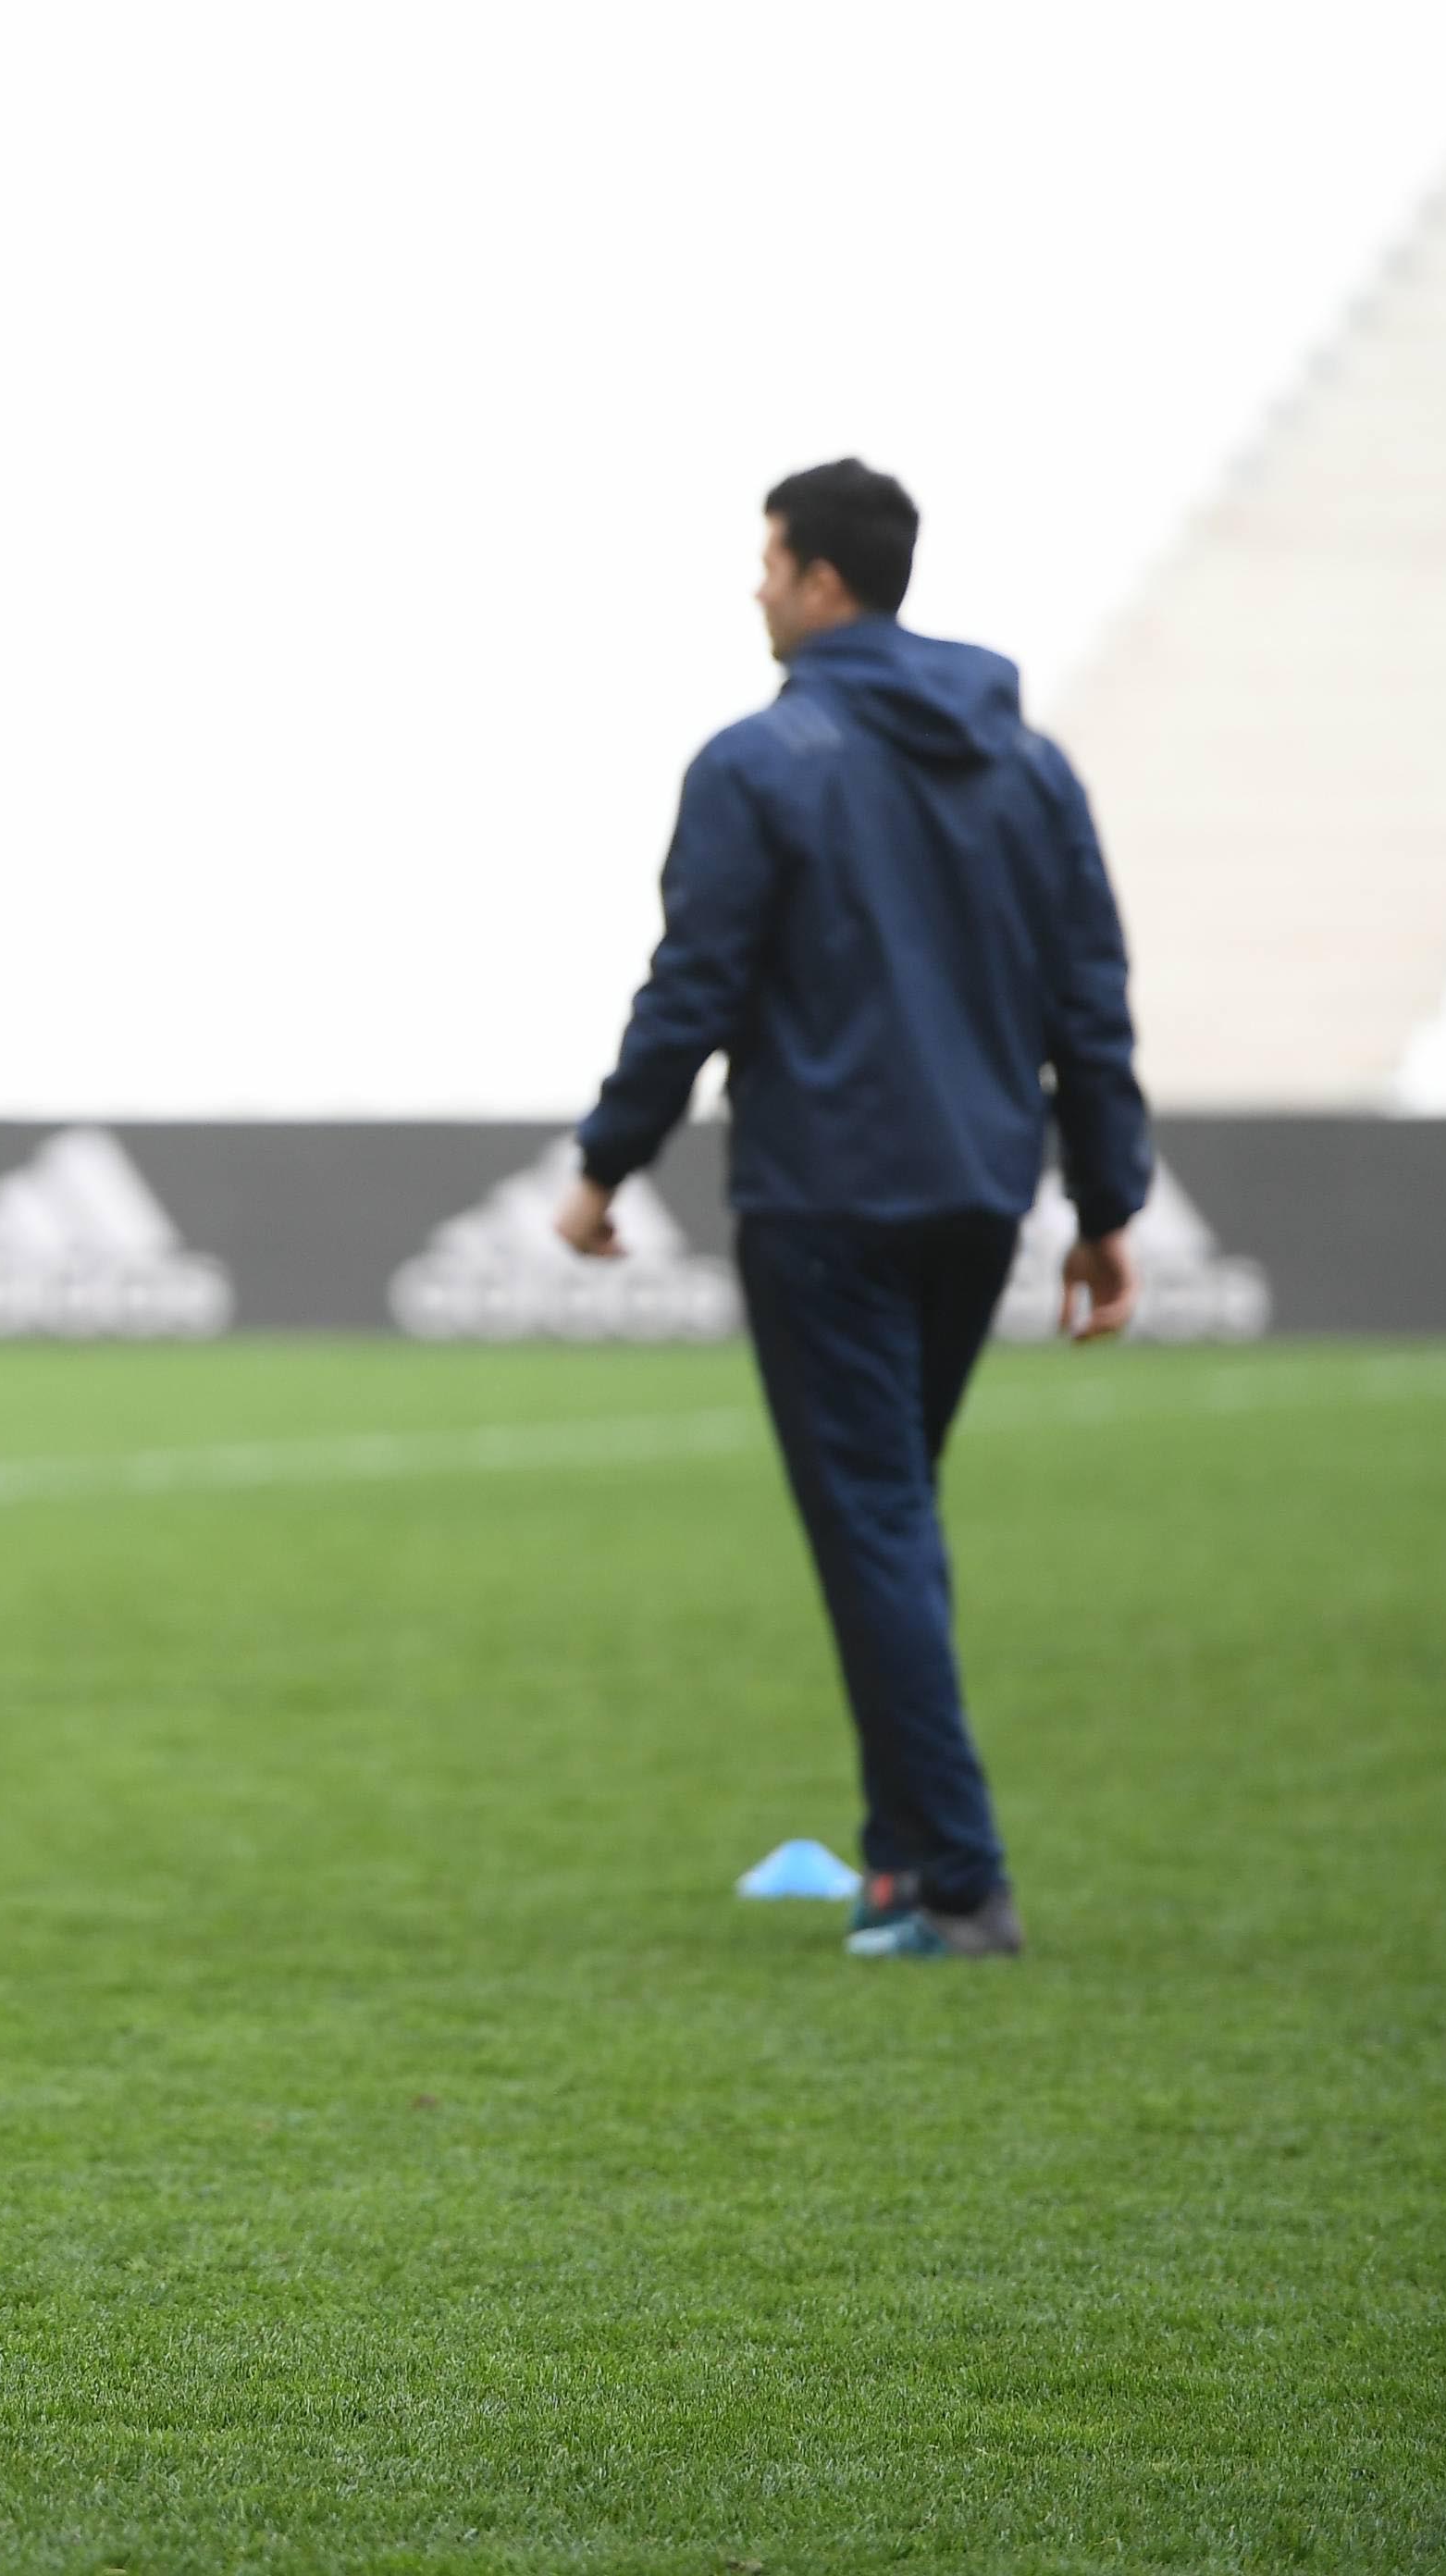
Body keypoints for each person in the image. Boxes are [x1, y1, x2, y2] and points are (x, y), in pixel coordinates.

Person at [556, 457, 1149, 1963]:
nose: (755, 583)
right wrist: (1102, 1199)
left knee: (875, 1519)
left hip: (825, 1198)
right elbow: (1090, 997)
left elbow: (693, 987)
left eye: (768, 559)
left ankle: (958, 1882)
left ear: (825, 580)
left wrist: (606, 1163)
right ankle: (901, 1861)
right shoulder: (1031, 765)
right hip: (976, 1192)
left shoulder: (760, 762)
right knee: (896, 1514)